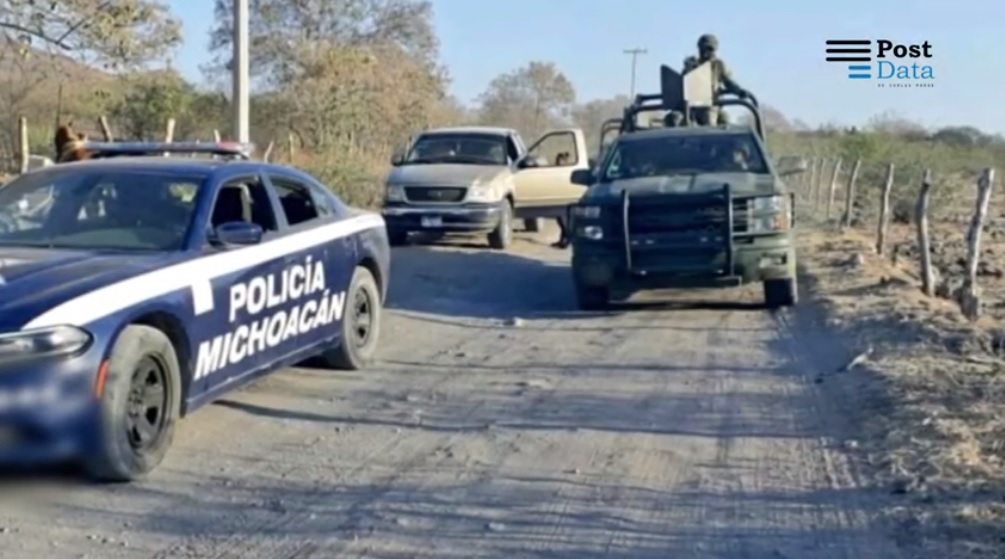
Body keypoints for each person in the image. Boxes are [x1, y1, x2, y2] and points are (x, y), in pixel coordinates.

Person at [682, 34, 751, 126]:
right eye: (704, 49)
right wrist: (688, 69)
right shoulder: (693, 65)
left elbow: (728, 82)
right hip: (694, 106)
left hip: (712, 105)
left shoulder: (718, 65)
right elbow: (681, 84)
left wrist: (739, 91)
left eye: (710, 49)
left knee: (724, 121)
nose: (706, 52)